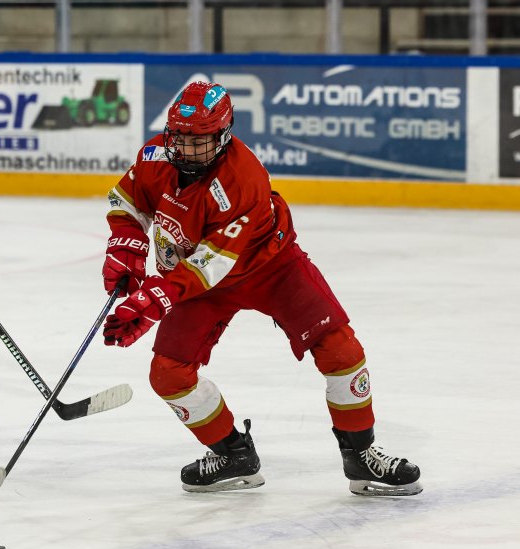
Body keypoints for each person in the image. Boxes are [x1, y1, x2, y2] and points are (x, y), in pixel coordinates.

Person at [100, 81, 422, 496]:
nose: (185, 149)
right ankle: (234, 455)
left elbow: (211, 263)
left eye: (198, 141)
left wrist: (153, 299)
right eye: (178, 137)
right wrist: (125, 243)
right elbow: (127, 201)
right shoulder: (154, 155)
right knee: (167, 375)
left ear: (223, 135)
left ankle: (361, 456)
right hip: (198, 278)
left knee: (340, 349)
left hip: (270, 267)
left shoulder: (242, 177)